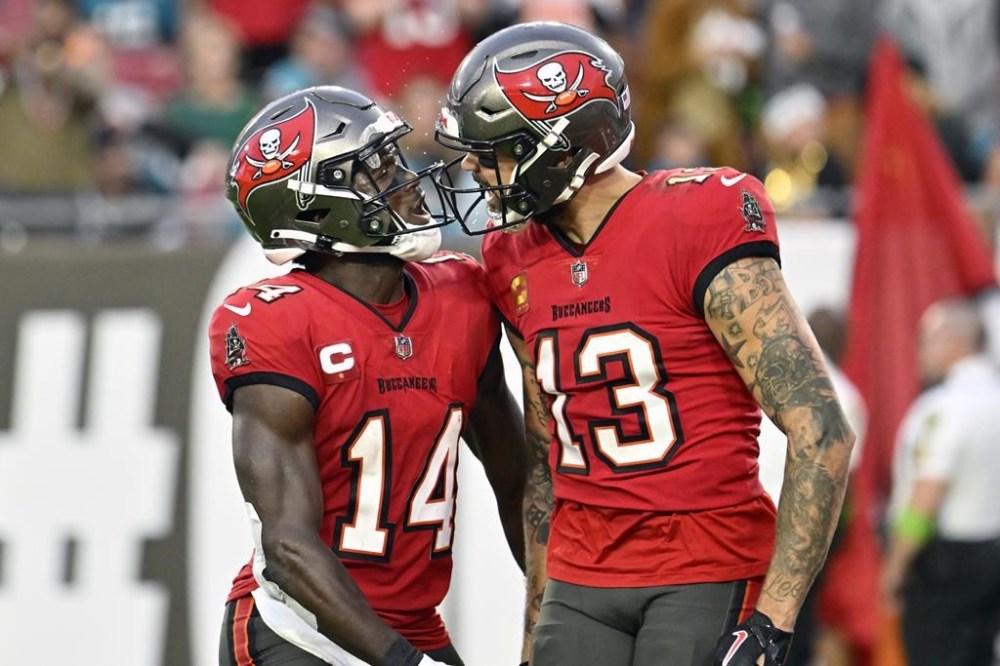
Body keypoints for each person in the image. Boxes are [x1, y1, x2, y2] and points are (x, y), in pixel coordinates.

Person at [434, 21, 855, 666]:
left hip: (704, 561)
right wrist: (533, 631)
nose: (475, 170)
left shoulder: (698, 216)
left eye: (499, 150)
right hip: (580, 578)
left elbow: (821, 427)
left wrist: (773, 621)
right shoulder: (510, 255)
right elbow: (546, 467)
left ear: (561, 147)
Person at [209, 86, 526, 666]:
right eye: (377, 170)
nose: (406, 179)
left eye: (394, 160)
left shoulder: (460, 295)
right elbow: (288, 547)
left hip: (415, 628)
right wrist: (404, 662)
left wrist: (560, 606)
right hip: (301, 631)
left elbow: (518, 479)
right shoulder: (277, 322)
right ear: (318, 206)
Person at [882, 298, 1000, 666]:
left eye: (925, 340)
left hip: (943, 567)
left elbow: (927, 494)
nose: (919, 351)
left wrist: (895, 567)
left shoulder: (946, 407)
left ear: (953, 342)